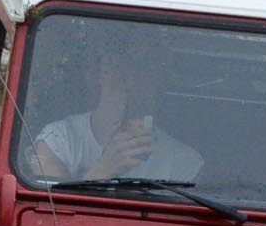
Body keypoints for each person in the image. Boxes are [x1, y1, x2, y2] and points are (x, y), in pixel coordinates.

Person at [29, 45, 203, 182]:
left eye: (144, 69)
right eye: (121, 67)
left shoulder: (183, 161)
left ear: (158, 82)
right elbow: (48, 212)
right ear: (99, 74)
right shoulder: (60, 139)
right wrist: (104, 169)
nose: (130, 81)